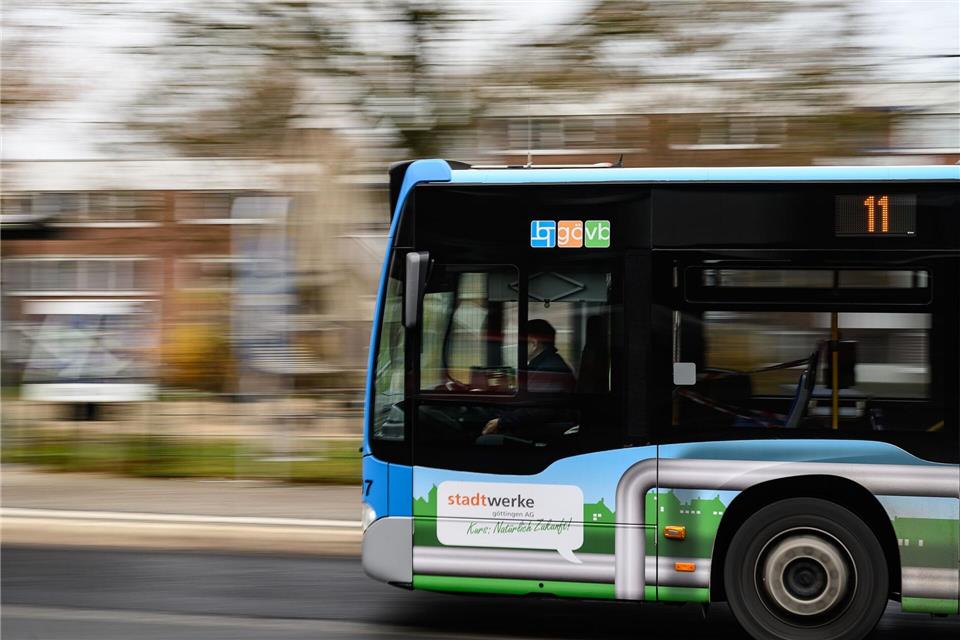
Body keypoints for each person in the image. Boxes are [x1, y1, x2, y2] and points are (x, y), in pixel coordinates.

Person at [482, 319, 576, 436]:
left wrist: (501, 422)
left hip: (543, 430)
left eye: (521, 342)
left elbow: (537, 410)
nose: (518, 347)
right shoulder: (543, 364)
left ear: (534, 343)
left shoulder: (549, 369)